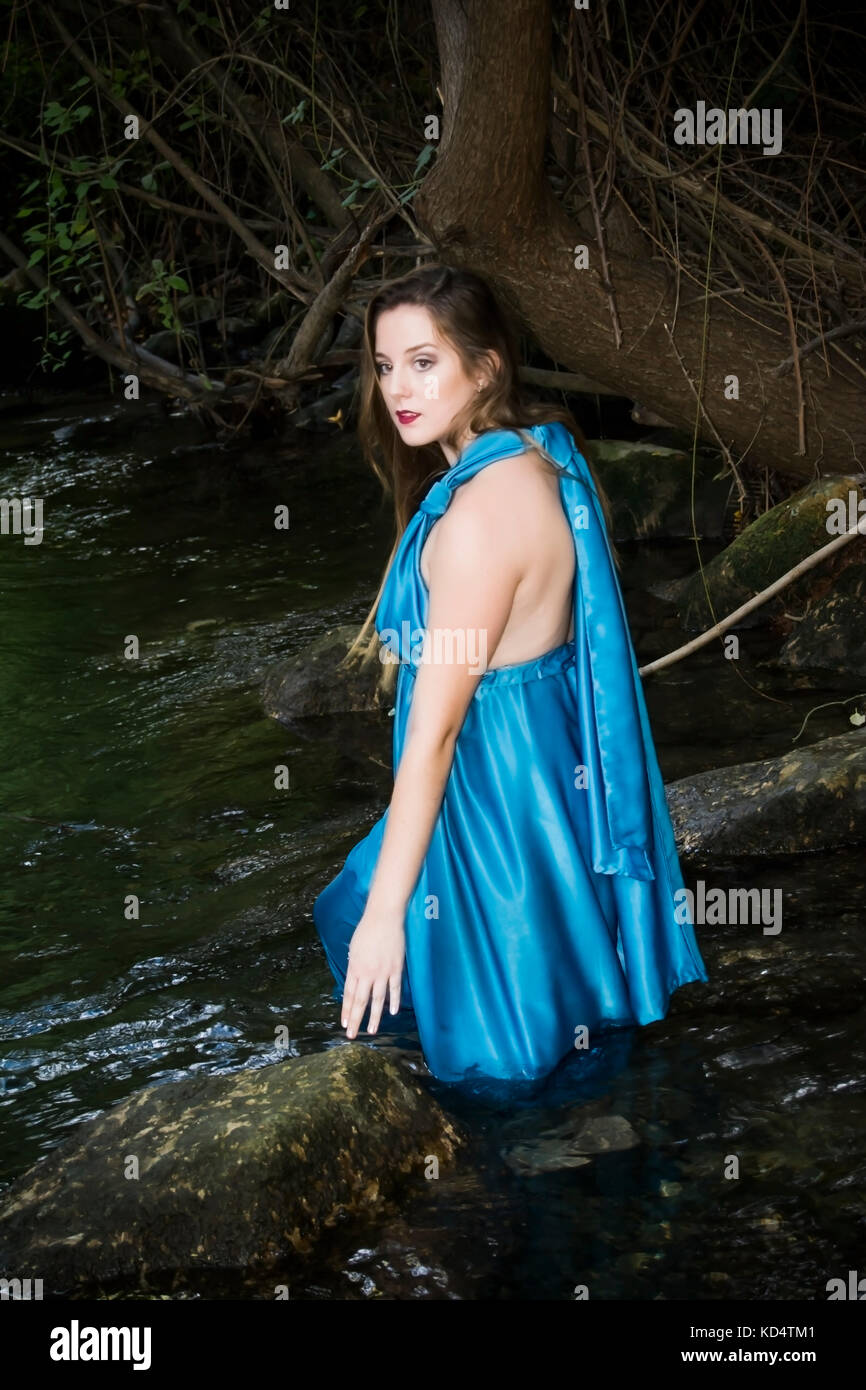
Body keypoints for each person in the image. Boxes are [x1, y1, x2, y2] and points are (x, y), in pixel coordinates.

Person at [313, 264, 708, 1085]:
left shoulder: (476, 522)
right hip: (546, 783)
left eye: (425, 362)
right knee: (565, 1025)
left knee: (487, 1049)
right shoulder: (539, 458)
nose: (398, 389)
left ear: (485, 367)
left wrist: (391, 914)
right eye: (385, 366)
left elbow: (438, 730)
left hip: (492, 805)